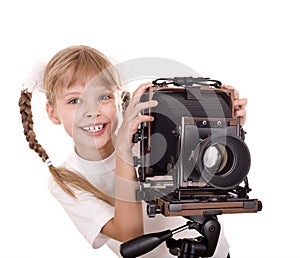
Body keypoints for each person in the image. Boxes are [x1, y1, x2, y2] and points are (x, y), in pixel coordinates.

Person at [18, 45, 247, 258]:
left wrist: (223, 129)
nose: (92, 111)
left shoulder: (152, 136)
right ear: (52, 113)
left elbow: (207, 168)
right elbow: (130, 234)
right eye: (75, 100)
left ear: (120, 101)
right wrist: (124, 154)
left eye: (103, 97)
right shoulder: (66, 181)